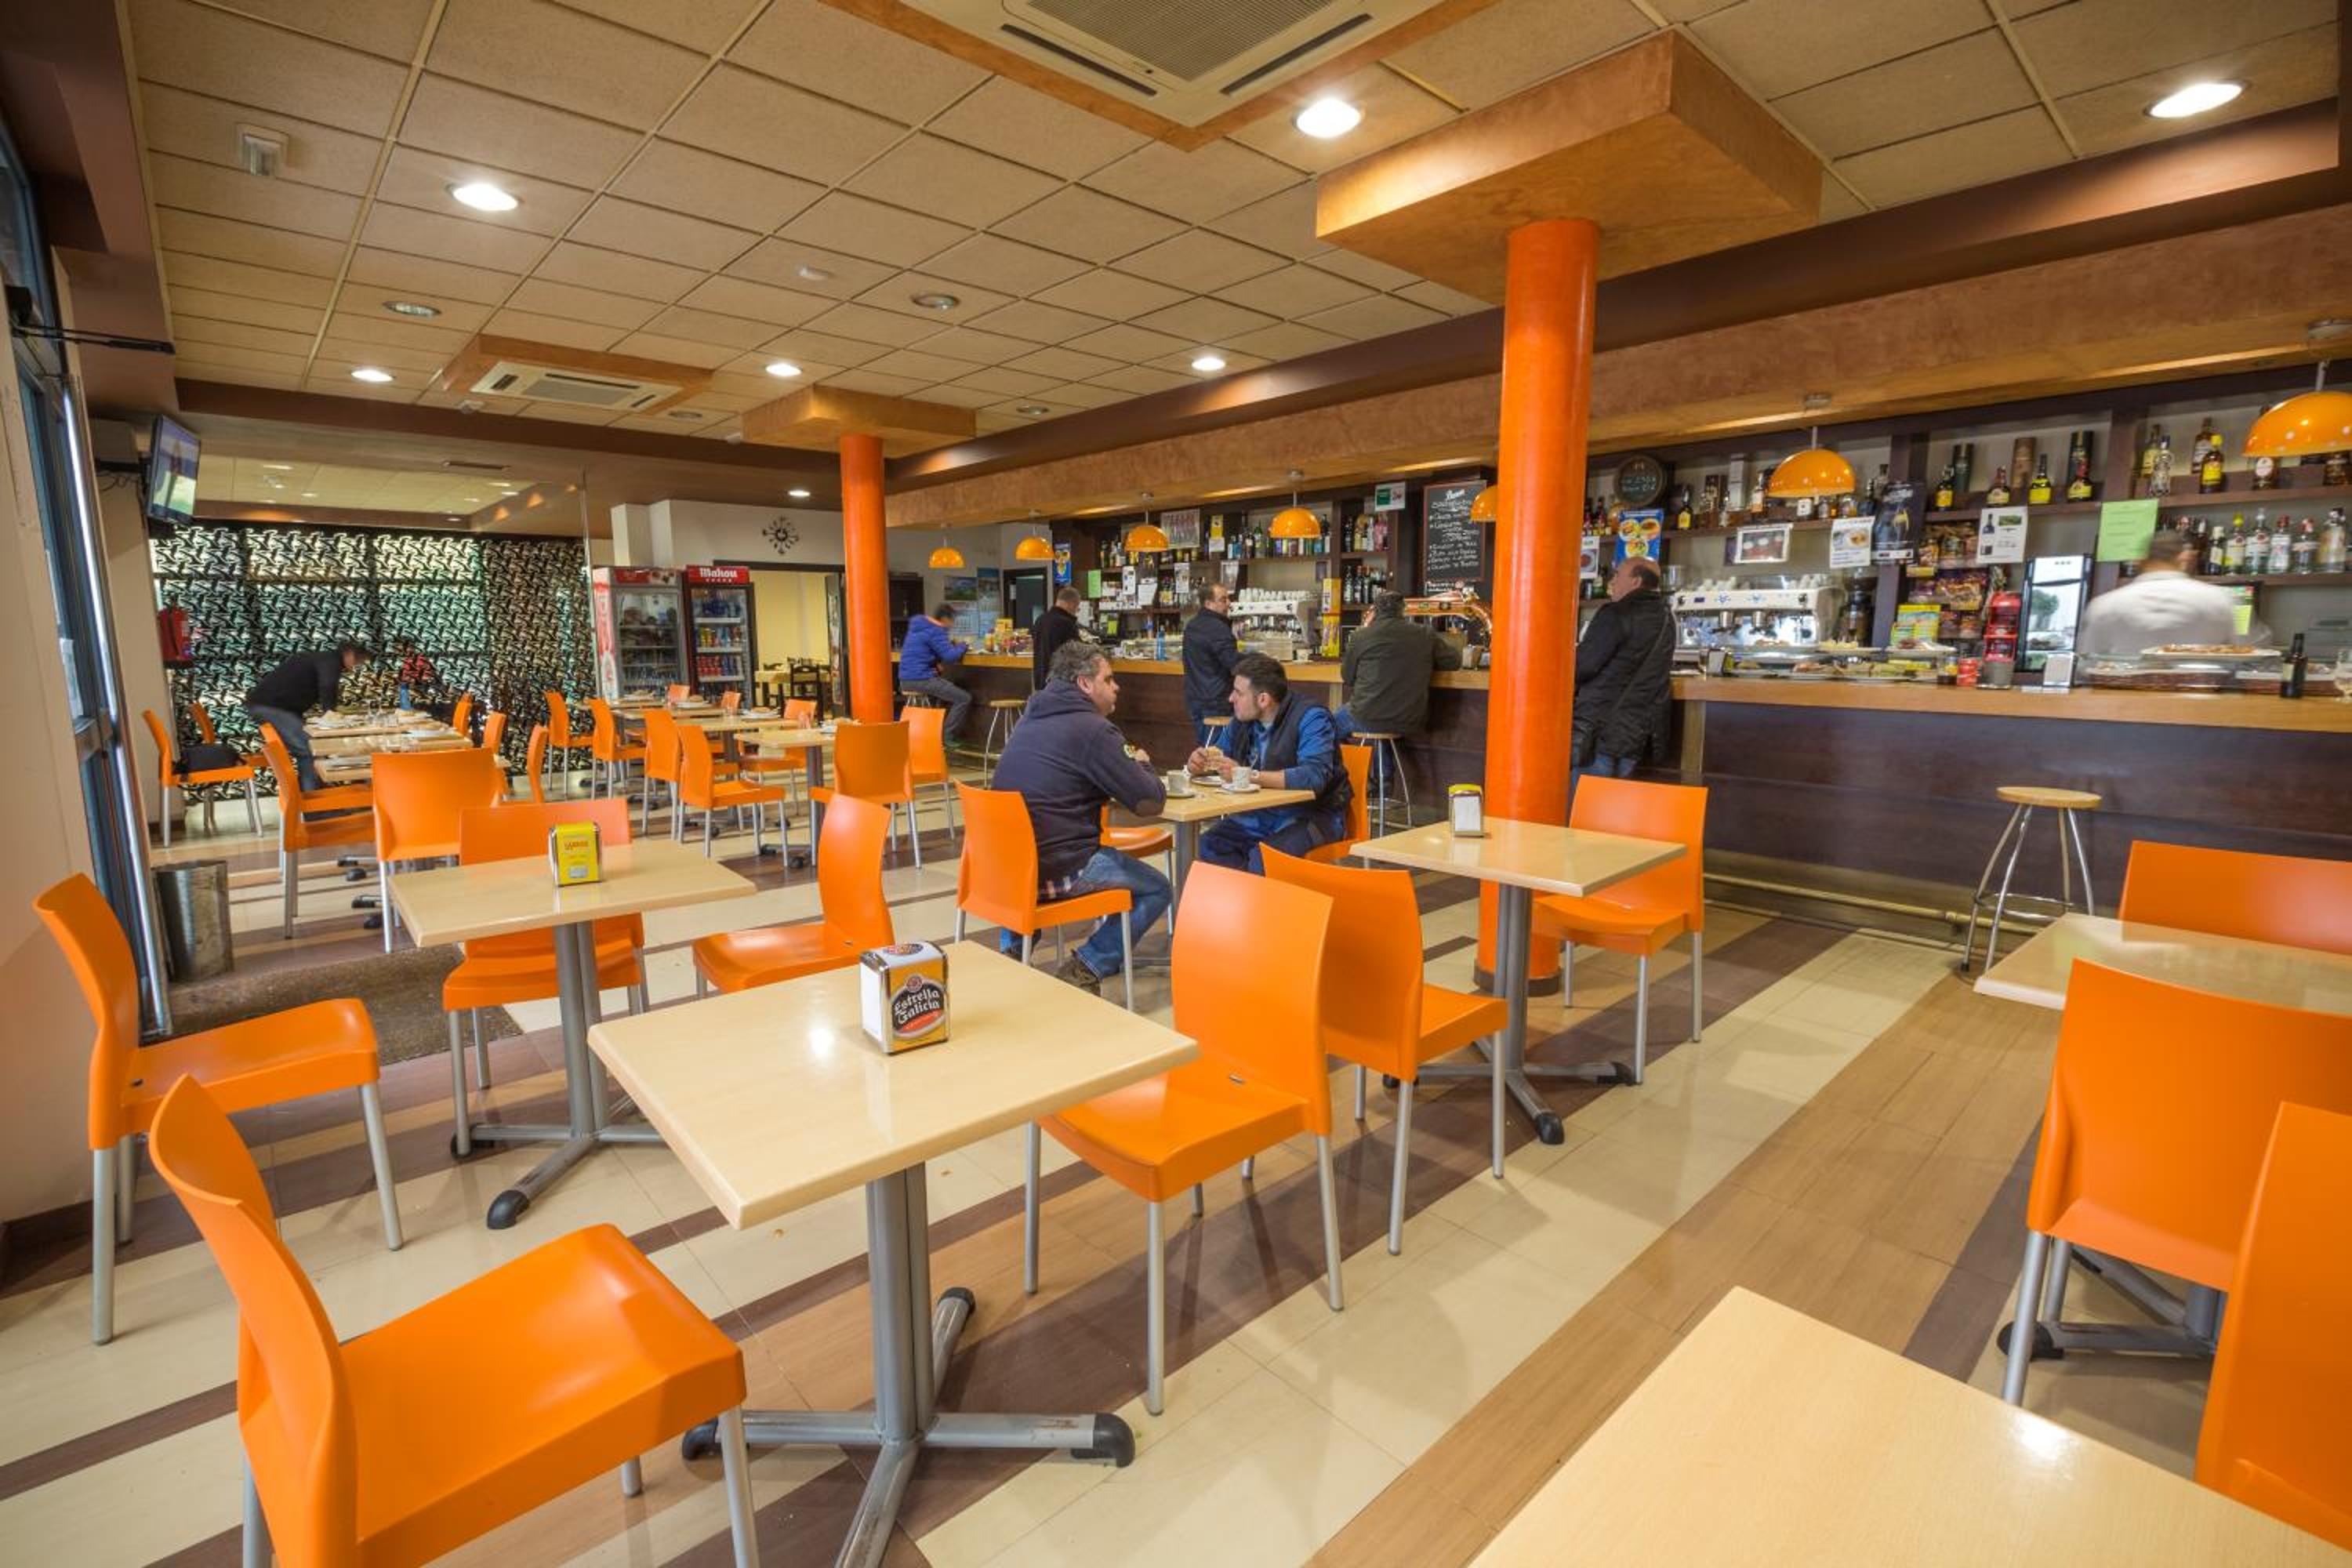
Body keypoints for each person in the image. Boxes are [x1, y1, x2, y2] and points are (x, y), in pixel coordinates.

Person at [989, 641, 1171, 991]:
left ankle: (1012, 951)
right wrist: (1143, 764)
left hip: (1005, 872)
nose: (1117, 687)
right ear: (1085, 684)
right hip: (1059, 868)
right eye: (1109, 679)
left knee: (1032, 838)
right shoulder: (1093, 729)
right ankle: (1088, 965)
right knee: (1157, 889)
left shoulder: (1029, 718)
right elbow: (1149, 802)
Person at [1189, 653, 1351, 872]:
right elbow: (1219, 757)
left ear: (1263, 700)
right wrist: (1200, 764)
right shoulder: (1243, 720)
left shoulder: (1311, 717)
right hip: (1262, 812)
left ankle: (1263, 891)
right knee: (1208, 846)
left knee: (1263, 857)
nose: (1231, 698)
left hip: (1314, 815)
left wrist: (1250, 775)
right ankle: (1246, 892)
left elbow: (1313, 777)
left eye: (1238, 693)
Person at [1574, 556, 1675, 786]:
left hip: (1599, 732)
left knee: (1586, 803)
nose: (1613, 581)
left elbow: (1583, 667)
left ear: (1636, 581)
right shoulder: (1667, 618)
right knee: (1618, 804)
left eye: (1618, 575)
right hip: (1637, 735)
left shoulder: (1616, 613)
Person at [2078, 528, 2251, 655]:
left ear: (2141, 561)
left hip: (2120, 693)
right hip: (2202, 693)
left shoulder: (2103, 605)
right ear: (2184, 558)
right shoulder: (2222, 599)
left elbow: (2086, 663)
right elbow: (2247, 652)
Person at [1335, 590, 1459, 741]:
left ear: (1375, 610)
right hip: (1411, 719)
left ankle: (1350, 758)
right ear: (1403, 609)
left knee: (1326, 727)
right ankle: (1383, 757)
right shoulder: (1425, 634)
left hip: (1367, 716)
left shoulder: (1360, 636)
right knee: (1375, 728)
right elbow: (1454, 662)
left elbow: (1347, 677)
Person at [245, 641, 368, 790]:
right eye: (359, 661)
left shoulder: (323, 658)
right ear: (349, 654)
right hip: (270, 707)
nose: (357, 665)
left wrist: (330, 712)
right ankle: (311, 796)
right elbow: (327, 686)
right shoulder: (331, 661)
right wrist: (330, 713)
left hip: (269, 706)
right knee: (309, 749)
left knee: (311, 747)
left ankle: (314, 790)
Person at [898, 601, 971, 742]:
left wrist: (935, 663)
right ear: (945, 619)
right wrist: (964, 645)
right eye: (952, 621)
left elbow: (921, 651)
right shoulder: (936, 630)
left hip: (905, 680)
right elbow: (950, 656)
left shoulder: (918, 627)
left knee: (941, 693)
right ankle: (946, 736)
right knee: (964, 698)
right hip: (921, 679)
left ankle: (930, 734)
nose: (952, 625)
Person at [1181, 581, 1238, 746]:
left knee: (1206, 746)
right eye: (1223, 600)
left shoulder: (1192, 625)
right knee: (1218, 750)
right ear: (1208, 604)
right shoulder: (1218, 628)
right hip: (1217, 699)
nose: (1229, 603)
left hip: (1196, 697)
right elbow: (1232, 662)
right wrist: (1257, 659)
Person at [1030, 585, 1089, 688]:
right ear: (1071, 604)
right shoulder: (1066, 624)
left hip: (1041, 680)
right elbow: (1078, 653)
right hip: (1060, 682)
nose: (1077, 611)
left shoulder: (1040, 620)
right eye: (1077, 607)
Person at [390, 636, 439, 707]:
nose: (397, 650)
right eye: (396, 647)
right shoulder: (396, 661)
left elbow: (428, 675)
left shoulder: (420, 660)